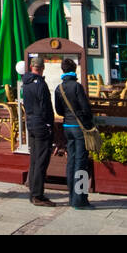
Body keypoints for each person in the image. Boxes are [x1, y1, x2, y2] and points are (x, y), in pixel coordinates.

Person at [54, 57, 94, 209]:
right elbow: (85, 108)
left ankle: (72, 196)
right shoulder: (77, 87)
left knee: (71, 161)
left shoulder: (59, 88)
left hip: (67, 127)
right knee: (81, 162)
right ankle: (80, 199)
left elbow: (58, 110)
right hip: (79, 128)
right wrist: (88, 122)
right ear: (74, 70)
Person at [20, 55, 56, 206]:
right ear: (42, 68)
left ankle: (33, 192)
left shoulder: (26, 83)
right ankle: (37, 195)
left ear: (31, 67)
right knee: (41, 160)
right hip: (41, 124)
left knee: (34, 159)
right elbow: (45, 106)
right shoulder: (40, 84)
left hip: (31, 122)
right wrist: (49, 124)